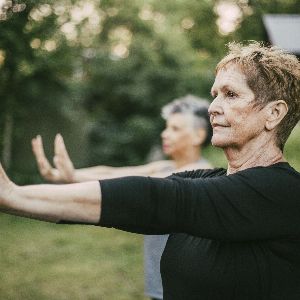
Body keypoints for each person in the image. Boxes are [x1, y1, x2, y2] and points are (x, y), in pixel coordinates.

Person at [1, 41, 300, 300]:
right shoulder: (205, 181)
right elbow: (137, 190)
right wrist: (43, 188)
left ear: (273, 113)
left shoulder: (284, 193)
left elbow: (158, 199)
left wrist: (13, 196)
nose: (212, 107)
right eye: (214, 94)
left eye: (230, 95)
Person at [31, 95, 213, 300]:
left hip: (183, 287)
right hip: (162, 279)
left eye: (175, 129)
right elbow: (115, 171)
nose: (165, 134)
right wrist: (67, 175)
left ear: (198, 135)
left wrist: (74, 177)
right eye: (166, 127)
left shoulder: (201, 172)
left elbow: (139, 182)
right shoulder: (167, 166)